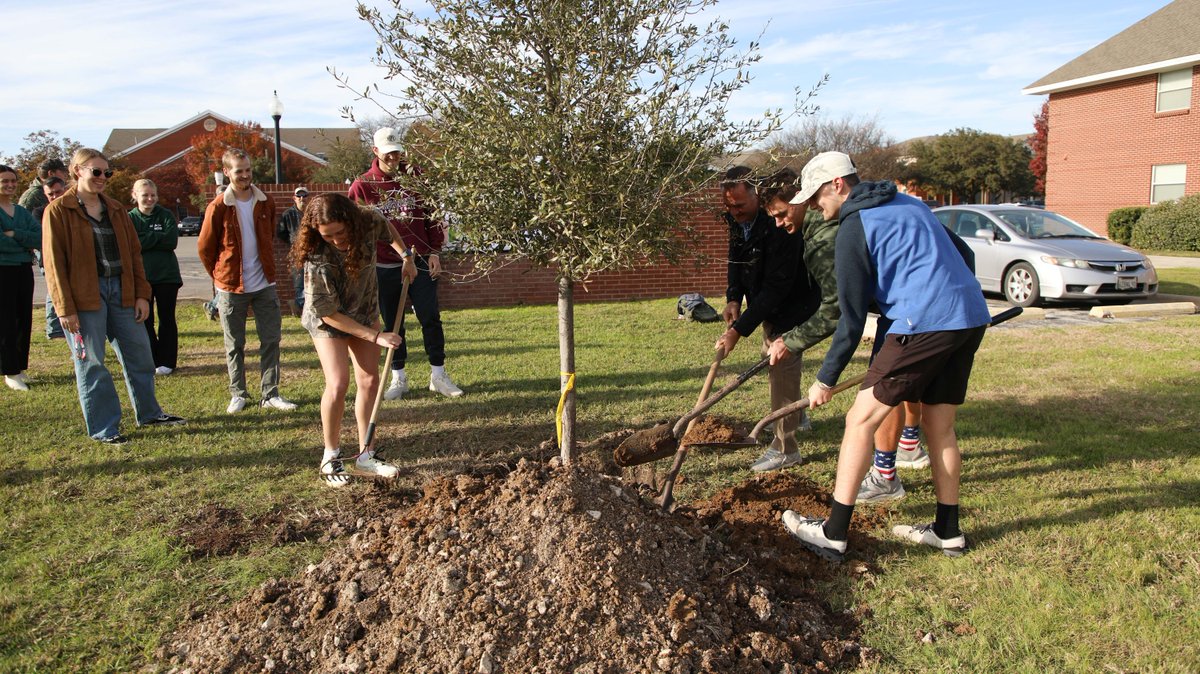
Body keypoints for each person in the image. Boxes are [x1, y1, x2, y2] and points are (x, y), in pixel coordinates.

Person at [779, 151, 991, 561]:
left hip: (924, 320)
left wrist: (825, 378)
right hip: (968, 316)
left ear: (838, 184)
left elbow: (851, 318)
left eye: (817, 197)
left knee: (859, 418)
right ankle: (948, 532)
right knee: (939, 426)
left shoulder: (854, 227)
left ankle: (833, 532)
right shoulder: (909, 203)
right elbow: (964, 257)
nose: (815, 207)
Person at [41, 149, 185, 443]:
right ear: (77, 171)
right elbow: (53, 263)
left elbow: (134, 255)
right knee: (92, 362)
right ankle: (104, 428)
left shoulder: (116, 210)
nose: (103, 178)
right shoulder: (57, 211)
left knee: (140, 355)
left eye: (107, 173)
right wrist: (64, 308)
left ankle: (149, 413)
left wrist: (142, 295)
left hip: (121, 291)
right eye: (96, 172)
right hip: (83, 296)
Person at [291, 193, 410, 485]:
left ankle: (366, 454)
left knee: (369, 380)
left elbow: (388, 229)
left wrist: (405, 256)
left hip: (364, 308)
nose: (335, 240)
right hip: (328, 319)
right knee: (338, 382)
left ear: (351, 221)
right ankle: (330, 456)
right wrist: (375, 336)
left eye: (340, 232)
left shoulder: (368, 219)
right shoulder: (317, 257)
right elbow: (328, 312)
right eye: (327, 235)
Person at [714, 166, 818, 472]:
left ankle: (786, 448)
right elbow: (736, 258)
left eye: (740, 205)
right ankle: (797, 415)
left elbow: (778, 286)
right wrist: (733, 296)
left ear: (757, 196)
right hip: (767, 303)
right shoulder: (737, 221)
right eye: (729, 206)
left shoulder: (778, 224)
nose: (734, 212)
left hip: (793, 303)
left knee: (780, 365)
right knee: (771, 357)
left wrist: (739, 330)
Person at [349, 127, 464, 401]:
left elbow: (433, 215)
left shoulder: (416, 177)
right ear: (375, 152)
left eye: (397, 152)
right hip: (386, 266)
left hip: (421, 260)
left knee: (430, 317)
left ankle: (438, 375)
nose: (394, 158)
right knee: (393, 323)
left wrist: (435, 251)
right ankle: (398, 378)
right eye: (388, 154)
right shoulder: (363, 186)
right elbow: (356, 230)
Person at [199, 149, 296, 414]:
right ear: (227, 172)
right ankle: (238, 393)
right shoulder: (218, 206)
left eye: (247, 170)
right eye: (238, 170)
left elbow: (268, 237)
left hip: (264, 283)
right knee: (235, 344)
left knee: (271, 340)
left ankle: (270, 393)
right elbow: (205, 248)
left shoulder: (266, 201)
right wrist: (220, 275)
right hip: (231, 287)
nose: (244, 175)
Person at [129, 179, 182, 375]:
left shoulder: (165, 215)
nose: (150, 198)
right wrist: (154, 238)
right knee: (145, 319)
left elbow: (171, 240)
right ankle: (152, 359)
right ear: (135, 196)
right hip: (142, 278)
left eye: (153, 195)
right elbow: (132, 244)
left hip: (167, 276)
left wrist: (145, 238)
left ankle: (168, 361)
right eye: (145, 195)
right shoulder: (130, 218)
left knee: (167, 318)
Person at [1, 165, 41, 391]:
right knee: (5, 320)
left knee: (23, 318)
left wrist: (15, 234)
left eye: (13, 181)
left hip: (24, 269)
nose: (10, 185)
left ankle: (20, 367)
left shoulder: (22, 212)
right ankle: (9, 371)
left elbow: (39, 238)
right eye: (4, 181)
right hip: (2, 270)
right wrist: (22, 243)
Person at [32, 176, 67, 340]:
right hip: (50, 260)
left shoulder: (76, 210)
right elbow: (44, 236)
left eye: (58, 192)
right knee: (54, 293)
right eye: (50, 194)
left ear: (65, 190)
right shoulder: (41, 212)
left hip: (75, 260)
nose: (54, 196)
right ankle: (54, 330)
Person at [276, 185, 309, 314]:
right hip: (297, 253)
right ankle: (299, 306)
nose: (302, 198)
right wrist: (293, 242)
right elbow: (281, 232)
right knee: (299, 280)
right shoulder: (288, 214)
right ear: (294, 198)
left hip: (313, 252)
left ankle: (302, 305)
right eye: (299, 196)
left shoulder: (312, 212)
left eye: (304, 196)